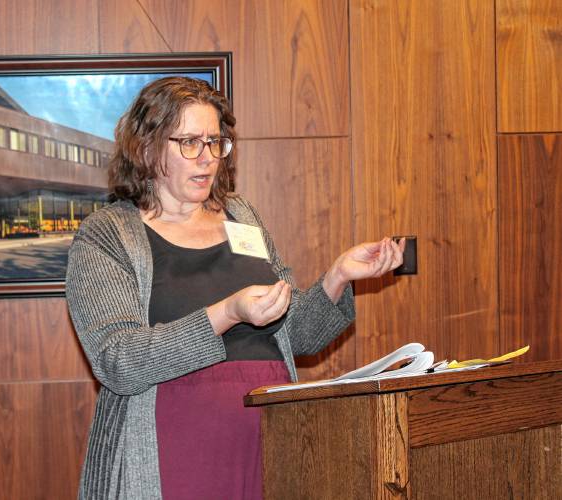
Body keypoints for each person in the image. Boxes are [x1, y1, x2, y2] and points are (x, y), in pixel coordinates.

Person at [66, 76, 405, 500]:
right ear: (148, 148)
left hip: (267, 444)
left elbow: (294, 335)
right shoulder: (107, 235)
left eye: (215, 142)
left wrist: (338, 276)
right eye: (189, 142)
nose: (207, 157)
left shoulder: (241, 215)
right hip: (172, 458)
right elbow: (119, 361)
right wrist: (226, 313)